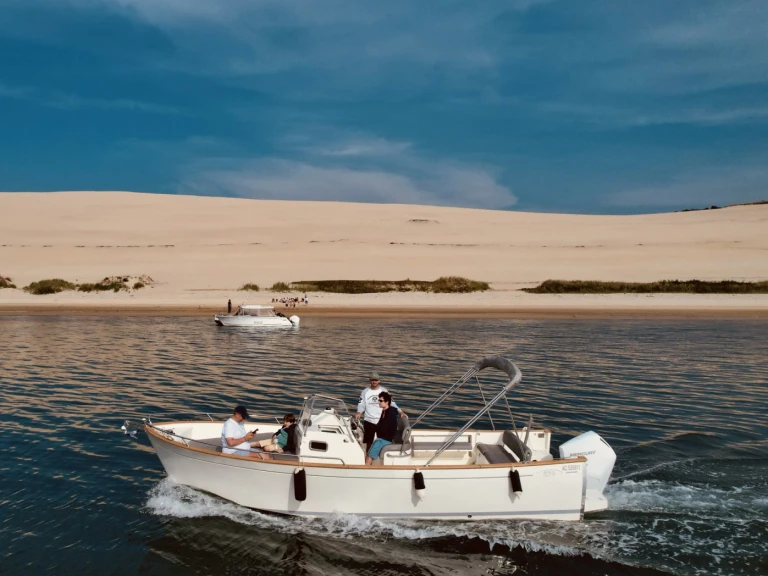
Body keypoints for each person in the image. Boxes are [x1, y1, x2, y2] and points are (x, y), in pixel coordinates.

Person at [355, 371, 405, 451]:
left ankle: (381, 457)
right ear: (369, 380)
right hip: (369, 420)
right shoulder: (365, 392)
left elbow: (391, 403)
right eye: (372, 380)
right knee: (369, 442)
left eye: (376, 380)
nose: (374, 381)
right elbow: (361, 404)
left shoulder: (384, 391)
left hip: (381, 420)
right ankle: (368, 457)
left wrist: (400, 411)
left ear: (379, 380)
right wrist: (359, 412)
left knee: (382, 441)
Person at [366, 392, 399, 465]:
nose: (379, 402)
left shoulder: (390, 414)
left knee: (368, 456)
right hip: (382, 438)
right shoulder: (384, 411)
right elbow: (380, 426)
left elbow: (383, 429)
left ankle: (365, 472)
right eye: (378, 400)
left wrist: (374, 429)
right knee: (369, 449)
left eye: (381, 401)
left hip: (384, 440)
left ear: (387, 402)